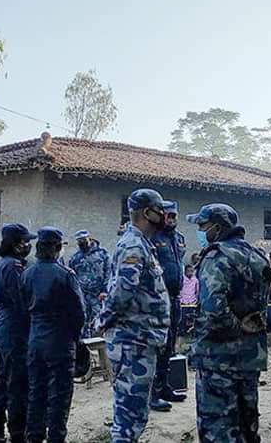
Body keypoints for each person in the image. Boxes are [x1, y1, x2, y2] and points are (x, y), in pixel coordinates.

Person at [188, 203, 271, 443]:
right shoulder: (257, 255)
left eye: (203, 226)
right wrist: (246, 328)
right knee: (247, 423)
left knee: (218, 427)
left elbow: (214, 311)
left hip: (218, 357)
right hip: (250, 354)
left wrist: (236, 328)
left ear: (217, 227)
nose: (201, 231)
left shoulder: (217, 257)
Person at [96, 189, 170, 443]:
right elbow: (123, 291)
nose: (164, 215)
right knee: (130, 414)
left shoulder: (143, 244)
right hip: (132, 341)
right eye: (160, 210)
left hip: (140, 339)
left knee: (134, 412)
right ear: (146, 212)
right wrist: (103, 320)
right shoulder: (133, 244)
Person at [21, 227, 85, 443]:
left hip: (35, 340)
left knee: (35, 394)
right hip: (60, 341)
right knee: (59, 396)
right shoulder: (65, 275)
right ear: (57, 248)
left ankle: (34, 437)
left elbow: (23, 308)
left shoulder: (27, 273)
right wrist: (75, 339)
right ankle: (56, 438)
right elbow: (79, 313)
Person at [0, 224, 37, 443]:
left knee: (2, 379)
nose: (28, 246)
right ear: (16, 245)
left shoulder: (3, 264)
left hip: (3, 326)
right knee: (17, 382)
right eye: (25, 242)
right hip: (15, 328)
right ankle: (17, 433)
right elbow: (22, 300)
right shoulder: (13, 267)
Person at [151, 200, 187, 409]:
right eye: (167, 216)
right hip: (159, 300)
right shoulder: (153, 238)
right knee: (159, 344)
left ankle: (164, 386)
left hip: (175, 299)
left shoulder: (178, 239)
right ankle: (152, 393)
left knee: (170, 345)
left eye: (174, 216)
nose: (171, 220)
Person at [68, 230, 111, 339]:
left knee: (98, 320)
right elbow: (71, 276)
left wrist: (105, 290)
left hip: (98, 295)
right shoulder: (75, 258)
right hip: (82, 295)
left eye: (83, 240)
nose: (81, 243)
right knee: (82, 320)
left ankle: (98, 343)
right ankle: (84, 346)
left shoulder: (102, 254)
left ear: (89, 239)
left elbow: (109, 273)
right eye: (79, 241)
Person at [179, 264, 199, 336]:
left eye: (192, 271)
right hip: (183, 302)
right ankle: (182, 332)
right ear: (185, 271)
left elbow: (197, 291)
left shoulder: (195, 280)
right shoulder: (182, 279)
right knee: (182, 319)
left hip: (192, 302)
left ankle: (191, 333)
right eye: (188, 271)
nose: (190, 273)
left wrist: (195, 299)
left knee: (192, 319)